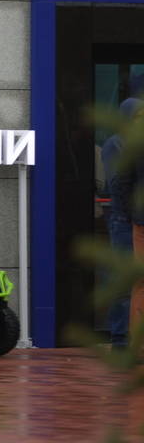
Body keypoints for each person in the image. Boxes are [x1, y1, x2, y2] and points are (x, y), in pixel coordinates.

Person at [108, 98, 144, 348]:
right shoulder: (118, 143)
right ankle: (121, 339)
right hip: (126, 221)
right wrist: (130, 214)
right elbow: (118, 182)